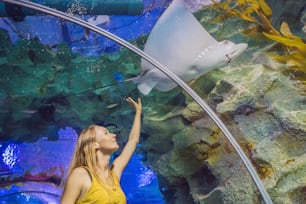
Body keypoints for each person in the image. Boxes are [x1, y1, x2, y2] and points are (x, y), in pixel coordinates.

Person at [61, 97, 142, 204]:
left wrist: (138, 112)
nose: (113, 135)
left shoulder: (114, 173)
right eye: (106, 133)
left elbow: (133, 141)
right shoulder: (81, 174)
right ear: (95, 144)